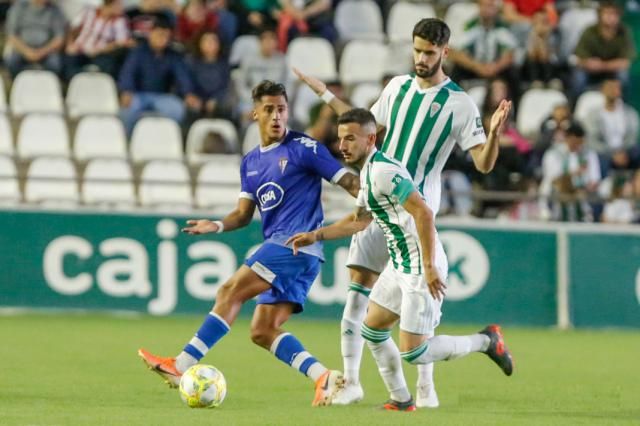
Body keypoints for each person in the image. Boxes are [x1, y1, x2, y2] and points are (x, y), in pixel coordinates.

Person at [294, 17, 512, 407]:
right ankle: (383, 391)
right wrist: (326, 94)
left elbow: (483, 164)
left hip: (414, 213)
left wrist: (494, 134)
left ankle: (435, 381)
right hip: (379, 207)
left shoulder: (459, 103)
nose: (421, 59)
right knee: (366, 315)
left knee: (414, 336)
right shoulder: (396, 88)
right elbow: (364, 128)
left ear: (445, 52)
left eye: (429, 52)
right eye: (417, 51)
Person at [138, 80, 361, 406]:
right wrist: (215, 225)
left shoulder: (305, 148)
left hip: (295, 244)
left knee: (230, 291)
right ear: (254, 112)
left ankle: (181, 364)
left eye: (281, 109)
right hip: (292, 251)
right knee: (262, 330)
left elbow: (352, 183)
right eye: (269, 109)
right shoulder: (251, 163)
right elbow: (243, 214)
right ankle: (324, 378)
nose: (276, 116)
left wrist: (378, 197)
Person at [118, 17, 199, 135]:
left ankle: (166, 139)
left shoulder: (173, 55)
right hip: (138, 95)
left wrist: (188, 93)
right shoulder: (138, 52)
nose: (162, 39)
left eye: (166, 36)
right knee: (127, 110)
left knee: (177, 109)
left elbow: (182, 76)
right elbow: (127, 72)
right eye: (159, 35)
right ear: (151, 34)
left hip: (162, 96)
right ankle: (128, 140)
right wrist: (126, 90)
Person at [572, 1, 635, 100]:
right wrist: (587, 63)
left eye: (613, 13)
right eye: (607, 13)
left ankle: (623, 106)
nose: (610, 17)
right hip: (591, 72)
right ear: (599, 15)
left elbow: (625, 63)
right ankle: (575, 105)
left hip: (612, 72)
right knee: (578, 76)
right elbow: (579, 59)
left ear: (619, 16)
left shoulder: (624, 32)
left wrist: (602, 65)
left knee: (624, 75)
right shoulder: (589, 31)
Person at [64, 0, 132, 81]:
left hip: (101, 53)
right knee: (68, 64)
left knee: (110, 66)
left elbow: (120, 43)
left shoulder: (120, 20)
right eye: (118, 5)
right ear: (109, 5)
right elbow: (73, 28)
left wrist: (100, 50)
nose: (122, 8)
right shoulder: (88, 12)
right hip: (80, 50)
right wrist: (70, 44)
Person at [5, 0, 66, 77]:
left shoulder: (55, 11)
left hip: (46, 51)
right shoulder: (19, 7)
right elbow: (12, 34)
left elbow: (59, 38)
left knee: (55, 65)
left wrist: (41, 52)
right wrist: (27, 52)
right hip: (22, 50)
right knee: (11, 63)